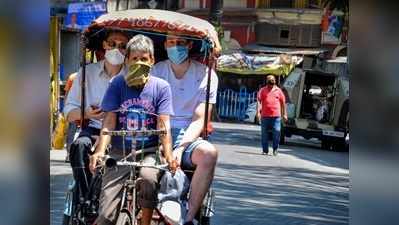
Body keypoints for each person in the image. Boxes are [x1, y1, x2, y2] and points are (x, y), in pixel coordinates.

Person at [89, 34, 175, 225]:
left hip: (148, 152)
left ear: (152, 61)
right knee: (105, 216)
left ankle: (145, 222)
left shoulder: (161, 87)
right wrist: (100, 151)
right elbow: (109, 121)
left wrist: (169, 156)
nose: (139, 62)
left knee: (148, 178)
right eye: (134, 58)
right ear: (126, 60)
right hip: (120, 153)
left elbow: (163, 125)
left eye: (143, 59)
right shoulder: (117, 84)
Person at [151, 35, 219, 225]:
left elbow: (199, 119)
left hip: (188, 133)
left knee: (209, 154)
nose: (175, 47)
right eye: (171, 43)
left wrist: (180, 148)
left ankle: (188, 218)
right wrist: (166, 147)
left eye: (180, 43)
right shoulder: (156, 71)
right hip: (158, 130)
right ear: (165, 45)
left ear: (189, 45)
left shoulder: (206, 74)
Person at [63, 30, 129, 199]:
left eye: (122, 46)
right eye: (112, 44)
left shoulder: (132, 76)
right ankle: (87, 198)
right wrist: (86, 113)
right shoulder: (86, 73)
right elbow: (69, 112)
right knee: (79, 147)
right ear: (104, 45)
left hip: (123, 132)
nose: (116, 49)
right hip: (93, 129)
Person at [256, 74, 287, 156]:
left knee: (277, 132)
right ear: (267, 82)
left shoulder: (278, 91)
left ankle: (275, 149)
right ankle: (265, 150)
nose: (271, 83)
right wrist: (258, 112)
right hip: (265, 116)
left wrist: (285, 114)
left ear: (275, 81)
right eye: (269, 81)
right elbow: (259, 101)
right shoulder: (262, 90)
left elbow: (283, 103)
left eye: (272, 80)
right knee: (264, 134)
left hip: (276, 116)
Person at [64, 72, 78, 162]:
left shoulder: (72, 77)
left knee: (71, 131)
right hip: (87, 106)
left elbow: (67, 94)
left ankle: (69, 154)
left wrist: (65, 108)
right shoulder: (90, 75)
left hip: (74, 107)